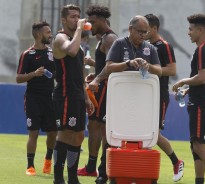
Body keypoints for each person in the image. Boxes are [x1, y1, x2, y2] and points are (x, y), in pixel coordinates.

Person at [89, 15, 162, 184]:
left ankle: (138, 173)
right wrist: (128, 63)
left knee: (140, 136)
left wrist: (147, 65)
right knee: (113, 135)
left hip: (142, 99)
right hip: (119, 97)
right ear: (130, 29)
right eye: (140, 31)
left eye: (146, 32)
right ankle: (104, 173)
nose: (143, 35)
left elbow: (158, 69)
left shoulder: (149, 48)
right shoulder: (120, 44)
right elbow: (109, 67)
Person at [172, 14, 205, 184]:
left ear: (200, 30)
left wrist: (182, 81)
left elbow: (202, 78)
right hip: (203, 102)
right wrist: (188, 89)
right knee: (196, 146)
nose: (188, 33)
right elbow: (204, 81)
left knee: (200, 146)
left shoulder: (202, 49)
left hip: (201, 104)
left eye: (190, 29)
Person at [52, 4, 94, 184]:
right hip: (65, 94)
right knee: (65, 134)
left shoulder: (78, 42)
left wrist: (86, 97)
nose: (77, 19)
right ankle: (59, 178)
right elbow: (71, 50)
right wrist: (79, 29)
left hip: (77, 94)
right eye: (72, 16)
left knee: (78, 135)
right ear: (63, 19)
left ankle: (72, 177)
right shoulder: (60, 38)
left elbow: (80, 73)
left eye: (78, 16)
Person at [77, 5, 118, 180]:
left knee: (98, 127)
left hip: (106, 88)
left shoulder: (110, 39)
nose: (90, 26)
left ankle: (97, 168)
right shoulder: (105, 39)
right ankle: (98, 167)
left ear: (103, 21)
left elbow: (111, 66)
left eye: (93, 22)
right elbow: (106, 65)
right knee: (97, 127)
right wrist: (97, 71)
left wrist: (97, 79)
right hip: (104, 86)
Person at [144, 13, 184, 182]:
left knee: (154, 134)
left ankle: (176, 161)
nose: (143, 32)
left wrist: (152, 69)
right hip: (143, 95)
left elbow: (172, 70)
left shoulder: (163, 46)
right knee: (143, 133)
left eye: (146, 29)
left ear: (154, 28)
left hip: (159, 95)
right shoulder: (143, 46)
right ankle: (141, 171)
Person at [16, 21, 57, 176]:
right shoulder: (27, 54)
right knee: (33, 133)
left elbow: (58, 74)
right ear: (39, 34)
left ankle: (47, 161)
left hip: (50, 98)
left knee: (53, 132)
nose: (51, 35)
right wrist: (34, 73)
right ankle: (30, 166)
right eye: (48, 32)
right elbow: (18, 78)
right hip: (33, 98)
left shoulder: (52, 53)